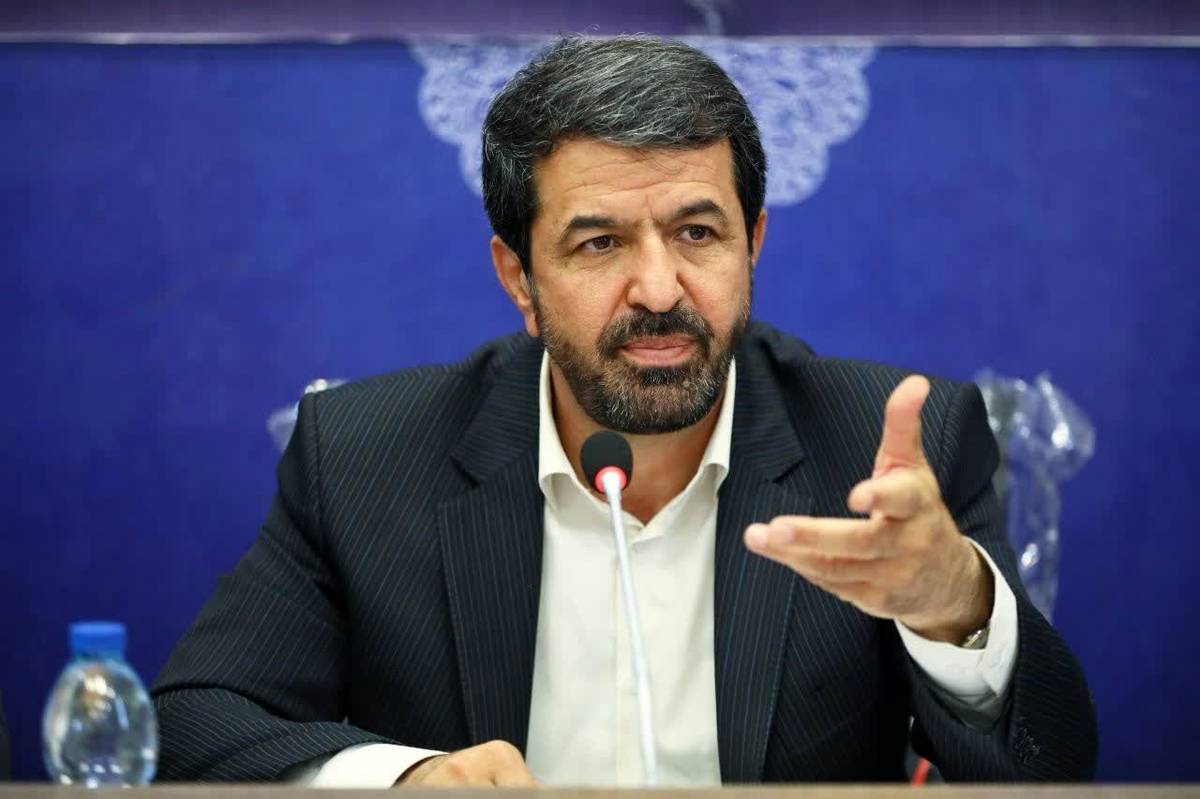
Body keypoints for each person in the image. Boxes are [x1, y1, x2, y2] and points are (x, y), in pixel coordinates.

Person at [152, 36, 1097, 786]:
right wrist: (406, 778)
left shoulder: (878, 452)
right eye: (599, 242)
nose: (659, 288)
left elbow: (1053, 766)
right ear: (518, 277)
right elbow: (193, 722)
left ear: (753, 244)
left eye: (697, 232)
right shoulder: (366, 455)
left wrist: (954, 605)